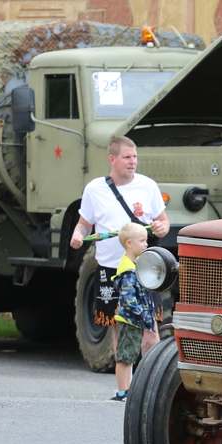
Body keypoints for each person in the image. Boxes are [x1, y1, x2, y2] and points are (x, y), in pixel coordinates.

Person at [70, 136, 168, 355]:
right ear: (112, 159)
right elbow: (84, 224)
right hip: (110, 269)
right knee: (117, 328)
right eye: (127, 157)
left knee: (150, 329)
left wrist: (161, 227)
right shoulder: (95, 189)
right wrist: (77, 235)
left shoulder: (148, 186)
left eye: (135, 157)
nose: (133, 162)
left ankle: (148, 373)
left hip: (143, 269)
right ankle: (124, 377)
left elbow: (164, 221)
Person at [108, 223, 156, 401]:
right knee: (125, 357)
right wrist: (143, 315)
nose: (146, 244)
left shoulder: (134, 265)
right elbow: (128, 299)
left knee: (130, 356)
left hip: (133, 320)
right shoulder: (128, 270)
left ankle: (126, 390)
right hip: (129, 320)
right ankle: (123, 392)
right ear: (129, 243)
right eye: (142, 241)